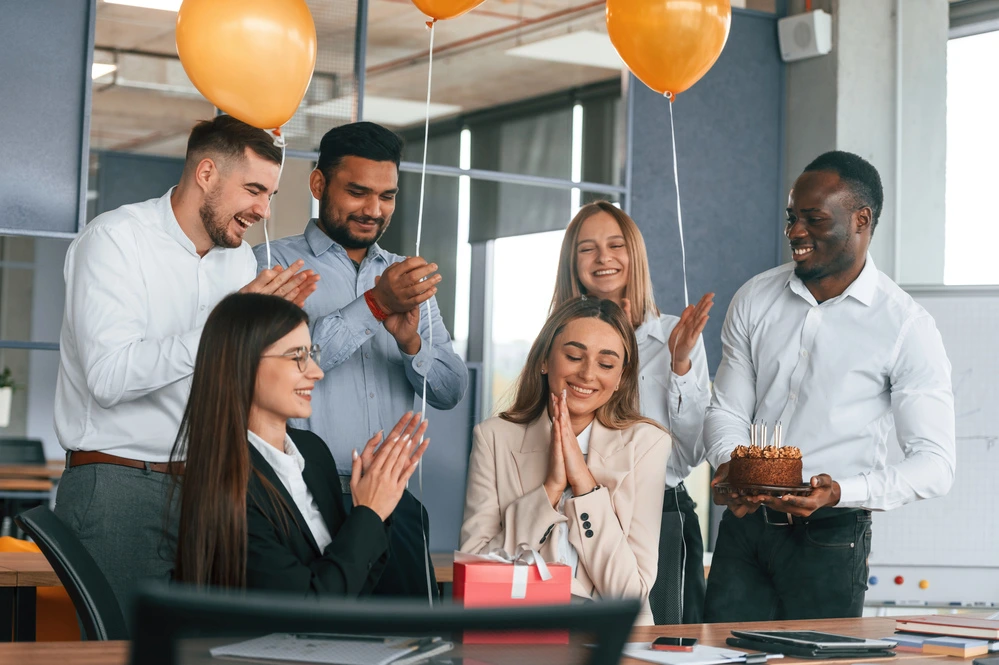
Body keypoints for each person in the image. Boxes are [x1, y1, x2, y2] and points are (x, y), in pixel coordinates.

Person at [54, 115, 319, 614]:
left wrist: (264, 338)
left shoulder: (237, 261)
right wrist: (226, 326)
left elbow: (223, 380)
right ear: (205, 174)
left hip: (206, 488)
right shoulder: (114, 240)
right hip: (118, 487)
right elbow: (110, 379)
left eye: (271, 196)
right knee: (126, 651)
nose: (263, 211)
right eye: (254, 190)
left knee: (200, 650)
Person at [703, 151, 956, 622]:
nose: (794, 233)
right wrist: (730, 466)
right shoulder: (755, 297)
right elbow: (727, 410)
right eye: (791, 218)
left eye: (813, 219)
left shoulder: (905, 327)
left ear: (861, 220)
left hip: (831, 535)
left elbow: (935, 465)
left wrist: (840, 490)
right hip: (745, 528)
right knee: (719, 654)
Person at [255, 121, 468, 599]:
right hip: (305, 500)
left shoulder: (407, 278)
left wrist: (413, 344)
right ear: (318, 184)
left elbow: (452, 390)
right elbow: (278, 369)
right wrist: (374, 305)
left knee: (412, 644)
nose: (374, 210)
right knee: (318, 642)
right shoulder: (269, 266)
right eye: (357, 192)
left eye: (387, 196)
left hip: (396, 499)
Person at [171, 293, 429, 594]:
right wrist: (369, 513)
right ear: (243, 361)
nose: (316, 372)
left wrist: (378, 501)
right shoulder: (225, 485)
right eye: (297, 357)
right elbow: (307, 608)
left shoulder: (312, 451)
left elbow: (350, 588)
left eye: (312, 355)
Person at [460, 298, 670, 625]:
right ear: (544, 360)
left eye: (606, 364)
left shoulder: (647, 444)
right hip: (520, 637)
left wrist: (584, 486)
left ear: (620, 378)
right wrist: (551, 490)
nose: (587, 374)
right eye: (574, 356)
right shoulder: (494, 438)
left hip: (614, 642)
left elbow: (630, 594)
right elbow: (479, 571)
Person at [550, 201, 713, 624]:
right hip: (572, 513)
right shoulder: (553, 341)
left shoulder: (676, 337)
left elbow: (691, 455)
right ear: (573, 263)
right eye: (587, 248)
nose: (603, 258)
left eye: (615, 245)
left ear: (634, 255)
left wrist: (679, 365)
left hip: (660, 514)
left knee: (662, 646)